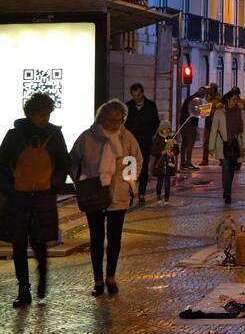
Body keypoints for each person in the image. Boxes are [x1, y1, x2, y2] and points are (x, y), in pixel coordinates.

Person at [0, 93, 70, 309]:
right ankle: (24, 288)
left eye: (48, 114)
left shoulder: (55, 135)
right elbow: (2, 163)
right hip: (18, 196)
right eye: (41, 114)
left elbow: (63, 162)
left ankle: (42, 271)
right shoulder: (14, 135)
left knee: (39, 241)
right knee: (18, 242)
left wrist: (55, 184)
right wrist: (9, 188)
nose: (45, 118)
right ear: (30, 114)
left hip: (43, 195)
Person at [69, 100, 142, 297]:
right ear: (102, 118)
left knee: (115, 239)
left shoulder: (127, 138)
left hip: (118, 195)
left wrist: (129, 183)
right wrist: (81, 182)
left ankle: (111, 276)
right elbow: (73, 161)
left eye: (120, 120)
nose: (116, 124)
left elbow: (135, 161)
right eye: (112, 120)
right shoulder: (87, 137)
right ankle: (97, 280)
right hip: (94, 195)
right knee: (96, 239)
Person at [209, 88, 245, 204]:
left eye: (237, 99)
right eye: (233, 99)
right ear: (227, 100)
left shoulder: (240, 112)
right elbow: (214, 130)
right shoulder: (219, 112)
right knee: (226, 168)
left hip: (235, 145)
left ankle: (227, 188)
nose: (236, 102)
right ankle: (227, 193)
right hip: (222, 145)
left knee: (231, 170)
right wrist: (211, 147)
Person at [125, 83, 160, 206]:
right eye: (134, 96)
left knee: (144, 169)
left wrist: (149, 134)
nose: (136, 98)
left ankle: (141, 194)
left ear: (142, 93)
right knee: (130, 169)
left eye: (138, 95)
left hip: (145, 142)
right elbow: (124, 125)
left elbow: (156, 122)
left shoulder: (150, 106)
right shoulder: (127, 106)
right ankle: (129, 194)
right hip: (130, 143)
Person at [150, 122, 178, 204]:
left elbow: (176, 149)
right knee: (159, 183)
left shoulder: (172, 139)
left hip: (169, 165)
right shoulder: (157, 139)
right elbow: (153, 151)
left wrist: (173, 152)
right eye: (165, 129)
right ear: (161, 130)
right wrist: (161, 152)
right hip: (160, 165)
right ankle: (158, 196)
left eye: (168, 129)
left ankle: (166, 199)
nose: (167, 130)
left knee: (167, 183)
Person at [178, 88, 203, 168]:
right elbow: (196, 112)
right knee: (190, 144)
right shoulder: (197, 101)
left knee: (184, 144)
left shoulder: (189, 98)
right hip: (190, 124)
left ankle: (182, 162)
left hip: (183, 123)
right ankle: (188, 163)